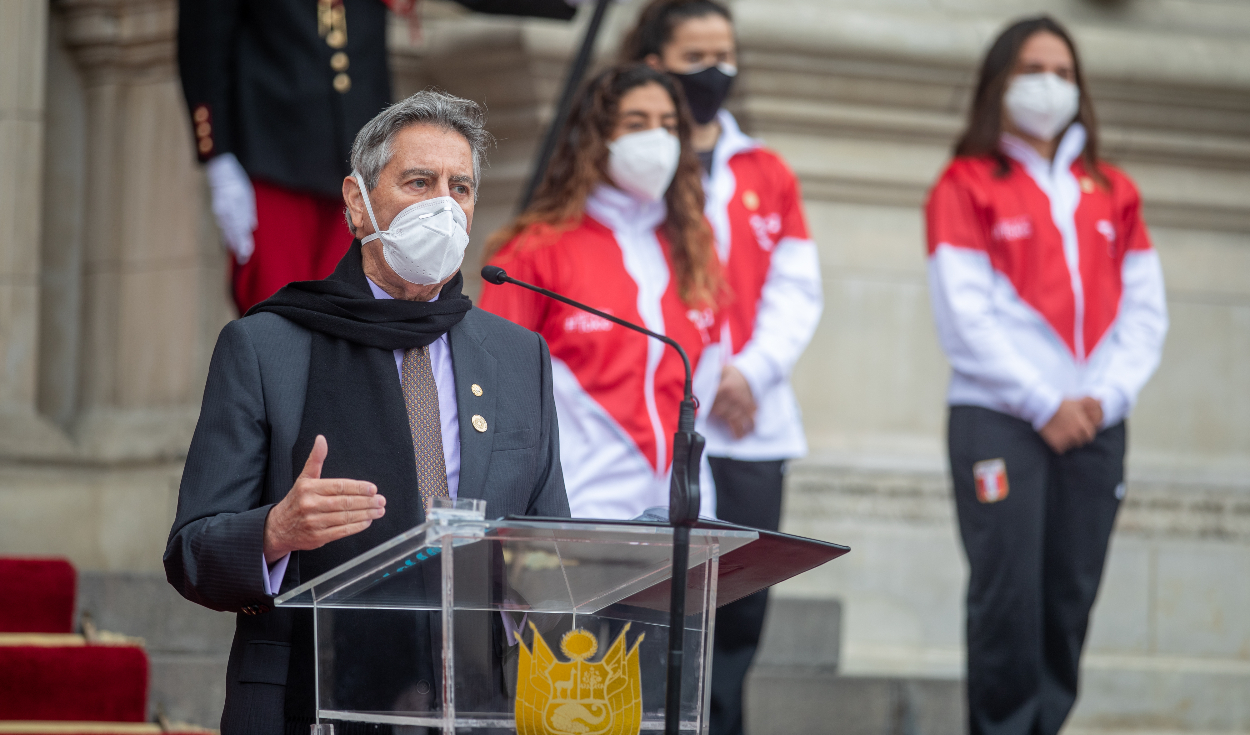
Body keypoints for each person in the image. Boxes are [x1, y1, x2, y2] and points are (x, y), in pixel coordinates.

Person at [164, 91, 569, 733]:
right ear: (357, 203)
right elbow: (191, 553)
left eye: (461, 187)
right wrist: (275, 531)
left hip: (482, 704)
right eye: (420, 182)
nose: (444, 206)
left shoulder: (518, 358)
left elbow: (552, 549)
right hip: (310, 704)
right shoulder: (268, 348)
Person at [925, 17, 1168, 735]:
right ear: (999, 82)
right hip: (1000, 419)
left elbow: (1146, 314)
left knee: (1068, 600)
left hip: (1096, 423)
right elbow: (964, 318)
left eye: (1063, 73)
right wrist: (1043, 402)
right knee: (1008, 600)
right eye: (1032, 69)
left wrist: (1103, 398)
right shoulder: (964, 184)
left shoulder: (1113, 190)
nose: (1049, 85)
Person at [620, 3, 823, 734]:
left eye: (725, 55)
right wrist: (705, 381)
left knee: (740, 614)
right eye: (695, 56)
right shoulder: (636, 167)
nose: (715, 72)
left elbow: (797, 288)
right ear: (655, 62)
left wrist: (752, 372)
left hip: (753, 422)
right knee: (663, 603)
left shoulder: (767, 169)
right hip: (664, 415)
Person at [177, 0, 580, 315]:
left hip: (359, 158)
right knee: (276, 304)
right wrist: (218, 156)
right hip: (273, 151)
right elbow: (203, 41)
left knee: (357, 304)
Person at [478, 64, 723, 521]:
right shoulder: (535, 252)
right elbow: (494, 390)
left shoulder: (694, 248)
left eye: (669, 125)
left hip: (686, 515)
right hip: (579, 512)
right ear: (597, 137)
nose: (656, 138)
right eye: (636, 123)